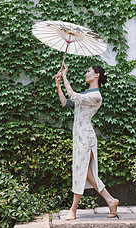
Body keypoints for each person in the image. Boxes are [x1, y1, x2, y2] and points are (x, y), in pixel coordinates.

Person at [55, 64, 119, 220]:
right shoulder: (85, 94)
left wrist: (64, 76)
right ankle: (111, 200)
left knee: (81, 171)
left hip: (86, 137)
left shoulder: (96, 96)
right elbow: (65, 101)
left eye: (88, 71)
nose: (85, 73)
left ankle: (73, 209)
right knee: (86, 173)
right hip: (78, 137)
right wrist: (58, 85)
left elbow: (72, 94)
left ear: (96, 75)